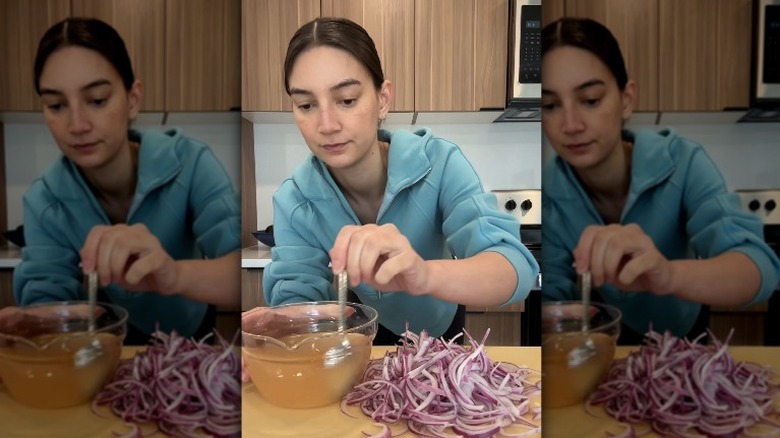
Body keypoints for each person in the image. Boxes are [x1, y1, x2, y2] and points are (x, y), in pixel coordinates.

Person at [262, 17, 539, 345]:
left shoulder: (439, 163)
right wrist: (276, 334)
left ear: (382, 99)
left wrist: (423, 275)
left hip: (438, 333)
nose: (326, 125)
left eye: (347, 100)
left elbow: (514, 267)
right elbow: (297, 300)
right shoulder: (295, 200)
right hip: (359, 337)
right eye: (306, 105)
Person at [540, 17, 780, 345]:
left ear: (626, 99)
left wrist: (666, 275)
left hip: (683, 338)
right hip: (604, 343)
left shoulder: (683, 162)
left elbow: (759, 267)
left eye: (591, 100)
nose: (570, 124)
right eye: (550, 105)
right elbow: (554, 292)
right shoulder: (549, 191)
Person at [11, 17, 241, 345]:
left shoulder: (191, 163)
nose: (76, 124)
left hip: (190, 337)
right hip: (104, 343)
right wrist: (33, 321)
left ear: (133, 99)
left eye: (97, 100)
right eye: (57, 105)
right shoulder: (44, 200)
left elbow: (239, 272)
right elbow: (46, 300)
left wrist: (174, 275)